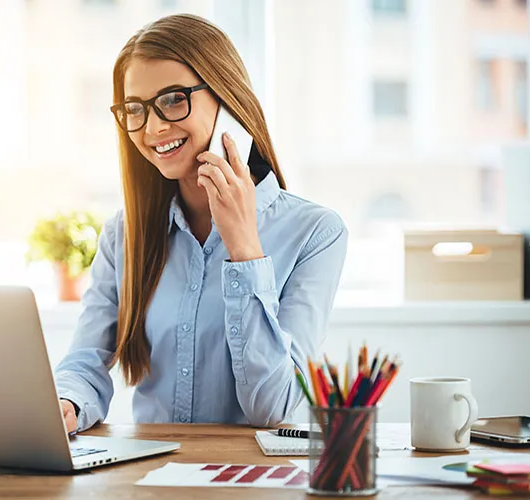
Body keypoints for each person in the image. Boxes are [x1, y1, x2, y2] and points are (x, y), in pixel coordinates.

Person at [55, 13, 348, 434]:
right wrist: (67, 401)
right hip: (150, 479)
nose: (153, 127)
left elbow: (273, 407)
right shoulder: (124, 234)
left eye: (174, 99)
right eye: (135, 109)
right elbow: (85, 362)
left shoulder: (316, 233)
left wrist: (244, 247)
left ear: (228, 101)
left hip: (250, 484)